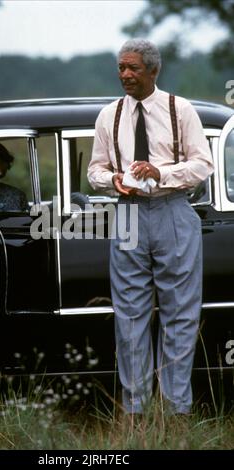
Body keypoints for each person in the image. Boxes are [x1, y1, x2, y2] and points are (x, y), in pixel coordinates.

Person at [87, 38, 214, 416]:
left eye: (133, 68)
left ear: (153, 71)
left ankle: (176, 411)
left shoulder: (181, 109)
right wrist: (115, 182)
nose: (125, 75)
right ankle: (136, 413)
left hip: (173, 208)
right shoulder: (108, 115)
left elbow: (202, 164)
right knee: (129, 317)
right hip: (127, 211)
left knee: (180, 314)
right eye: (121, 68)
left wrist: (161, 171)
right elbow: (95, 171)